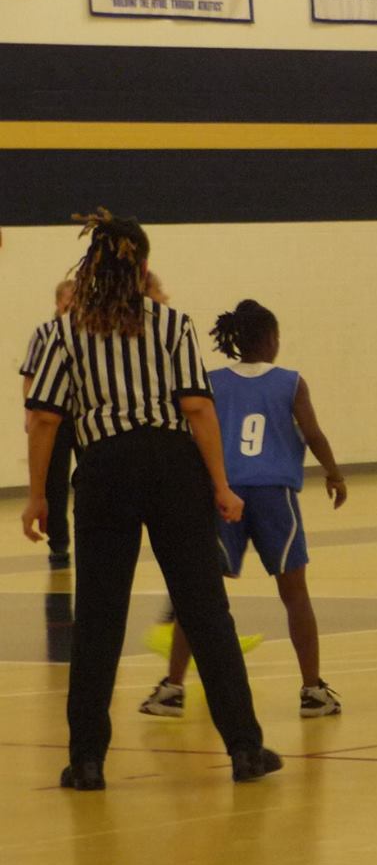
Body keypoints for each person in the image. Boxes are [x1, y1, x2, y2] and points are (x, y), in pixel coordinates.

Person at [19, 209, 279, 790]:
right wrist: (220, 484)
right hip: (171, 465)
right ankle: (245, 750)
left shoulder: (64, 330)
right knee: (205, 609)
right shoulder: (171, 324)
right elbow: (197, 408)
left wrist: (38, 496)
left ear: (91, 269)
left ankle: (87, 760)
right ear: (142, 268)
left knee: (98, 619)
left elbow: (43, 420)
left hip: (103, 469)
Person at [139, 300, 347, 719]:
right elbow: (313, 433)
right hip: (275, 494)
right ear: (271, 339)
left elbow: (192, 431)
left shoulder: (212, 381)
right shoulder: (290, 382)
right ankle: (312, 690)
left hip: (223, 493)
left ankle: (173, 688)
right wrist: (334, 474)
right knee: (295, 595)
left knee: (198, 596)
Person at [19, 277, 75, 569]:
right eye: (68, 303)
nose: (72, 308)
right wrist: (29, 412)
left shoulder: (87, 332)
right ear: (58, 303)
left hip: (83, 415)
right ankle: (59, 544)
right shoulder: (43, 334)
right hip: (55, 415)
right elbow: (29, 376)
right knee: (54, 482)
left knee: (90, 480)